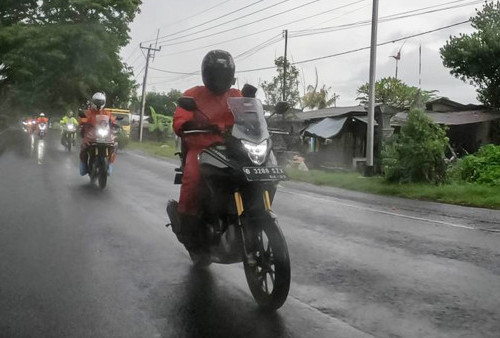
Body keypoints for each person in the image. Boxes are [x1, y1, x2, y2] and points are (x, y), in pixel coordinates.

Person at [172, 49, 244, 250]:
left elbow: (250, 115)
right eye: (216, 76)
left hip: (232, 148)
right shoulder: (192, 95)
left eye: (224, 76)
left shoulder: (236, 95)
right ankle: (186, 220)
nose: (220, 80)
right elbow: (180, 120)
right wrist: (186, 126)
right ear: (206, 76)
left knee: (253, 170)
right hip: (201, 147)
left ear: (231, 77)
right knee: (193, 177)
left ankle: (251, 210)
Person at [79, 92, 117, 175]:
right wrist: (82, 121)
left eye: (100, 102)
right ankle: (83, 166)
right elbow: (82, 119)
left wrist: (115, 123)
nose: (99, 104)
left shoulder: (107, 113)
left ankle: (110, 165)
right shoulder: (88, 112)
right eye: (97, 102)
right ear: (93, 101)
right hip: (91, 135)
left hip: (104, 135)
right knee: (84, 148)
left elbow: (113, 119)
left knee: (112, 147)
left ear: (104, 102)